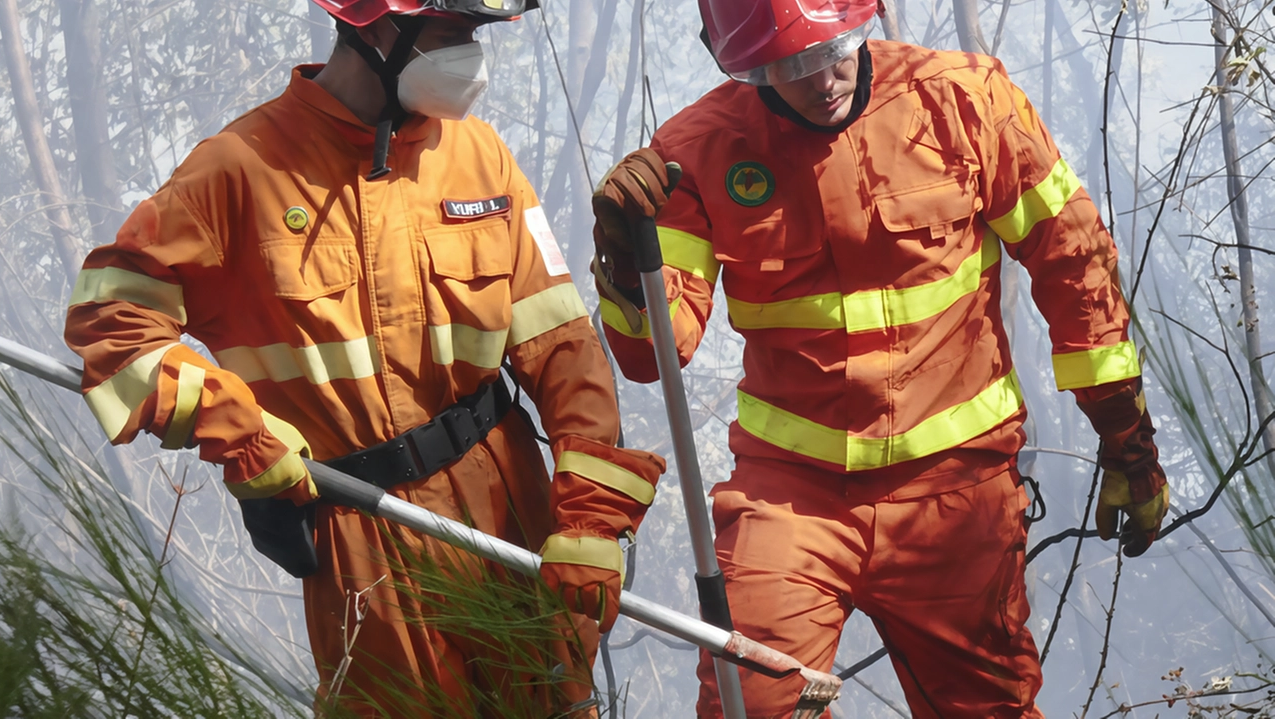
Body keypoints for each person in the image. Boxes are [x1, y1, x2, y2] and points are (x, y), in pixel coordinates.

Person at [63, 0, 665, 715]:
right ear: (378, 25)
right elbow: (111, 319)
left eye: (474, 33)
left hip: (509, 512)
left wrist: (591, 519)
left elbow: (563, 346)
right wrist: (237, 432)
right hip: (363, 536)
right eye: (451, 33)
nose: (469, 56)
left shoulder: (479, 156)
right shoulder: (241, 170)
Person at [591, 1, 1169, 716]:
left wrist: (1127, 441)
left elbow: (1076, 265)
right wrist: (623, 261)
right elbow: (657, 358)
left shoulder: (968, 101)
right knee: (753, 703)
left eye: (830, 48)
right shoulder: (695, 153)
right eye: (787, 64)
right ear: (732, 57)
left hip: (955, 494)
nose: (819, 79)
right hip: (790, 498)